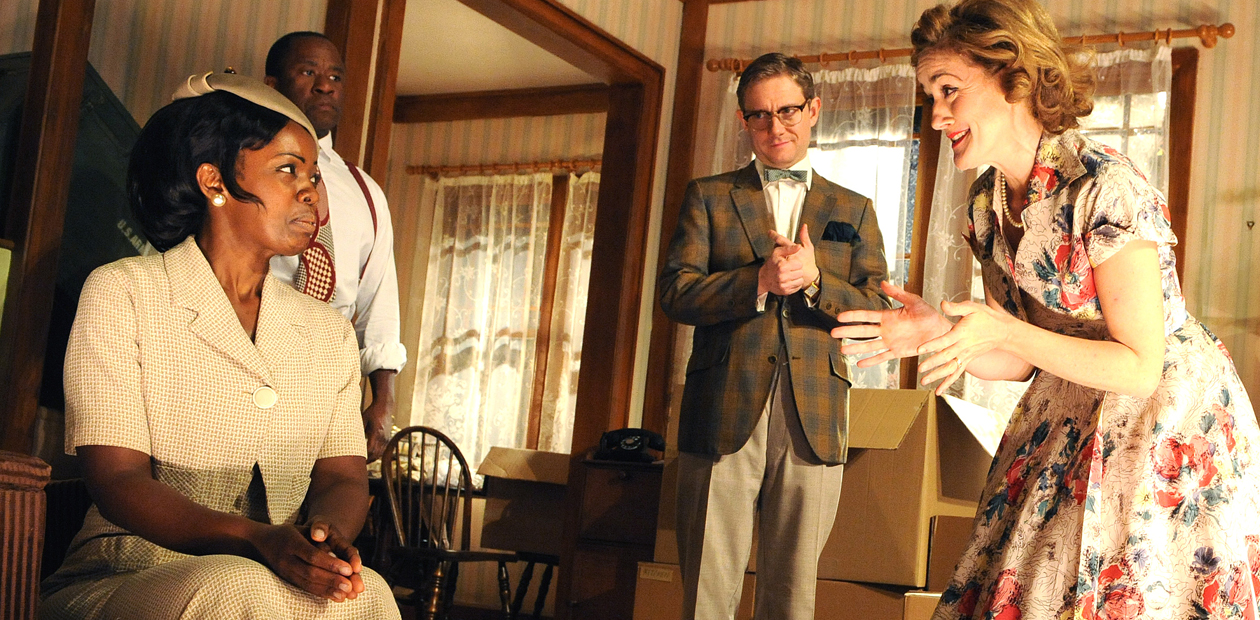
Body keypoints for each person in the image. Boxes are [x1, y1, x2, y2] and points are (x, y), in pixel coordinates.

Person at [833, 1, 1260, 618]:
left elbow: (1140, 364)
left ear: (1015, 79)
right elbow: (1017, 360)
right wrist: (943, 333)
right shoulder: (986, 203)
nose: (936, 116)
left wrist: (1000, 330)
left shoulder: (1104, 185)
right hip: (1066, 404)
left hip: (1163, 413)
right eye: (929, 96)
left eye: (949, 91)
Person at [39, 71, 400, 620]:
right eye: (288, 170)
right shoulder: (122, 293)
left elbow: (343, 476)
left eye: (314, 174)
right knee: (232, 585)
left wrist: (323, 542)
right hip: (124, 574)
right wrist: (258, 540)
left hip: (272, 572)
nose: (310, 190)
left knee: (367, 593)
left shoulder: (327, 333)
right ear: (215, 182)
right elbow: (117, 479)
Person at [659, 52, 890, 620]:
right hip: (721, 410)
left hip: (813, 414)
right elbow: (676, 294)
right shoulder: (708, 196)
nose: (775, 126)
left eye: (788, 110)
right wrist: (756, 281)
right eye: (759, 115)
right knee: (706, 600)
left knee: (792, 600)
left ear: (813, 110)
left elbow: (879, 312)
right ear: (743, 121)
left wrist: (817, 281)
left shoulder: (853, 210)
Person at [264, 31, 407, 462]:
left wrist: (383, 401)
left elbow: (379, 303)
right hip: (254, 354)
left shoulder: (366, 192)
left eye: (335, 76)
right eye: (308, 71)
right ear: (273, 85)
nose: (325, 85)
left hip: (331, 380)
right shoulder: (246, 168)